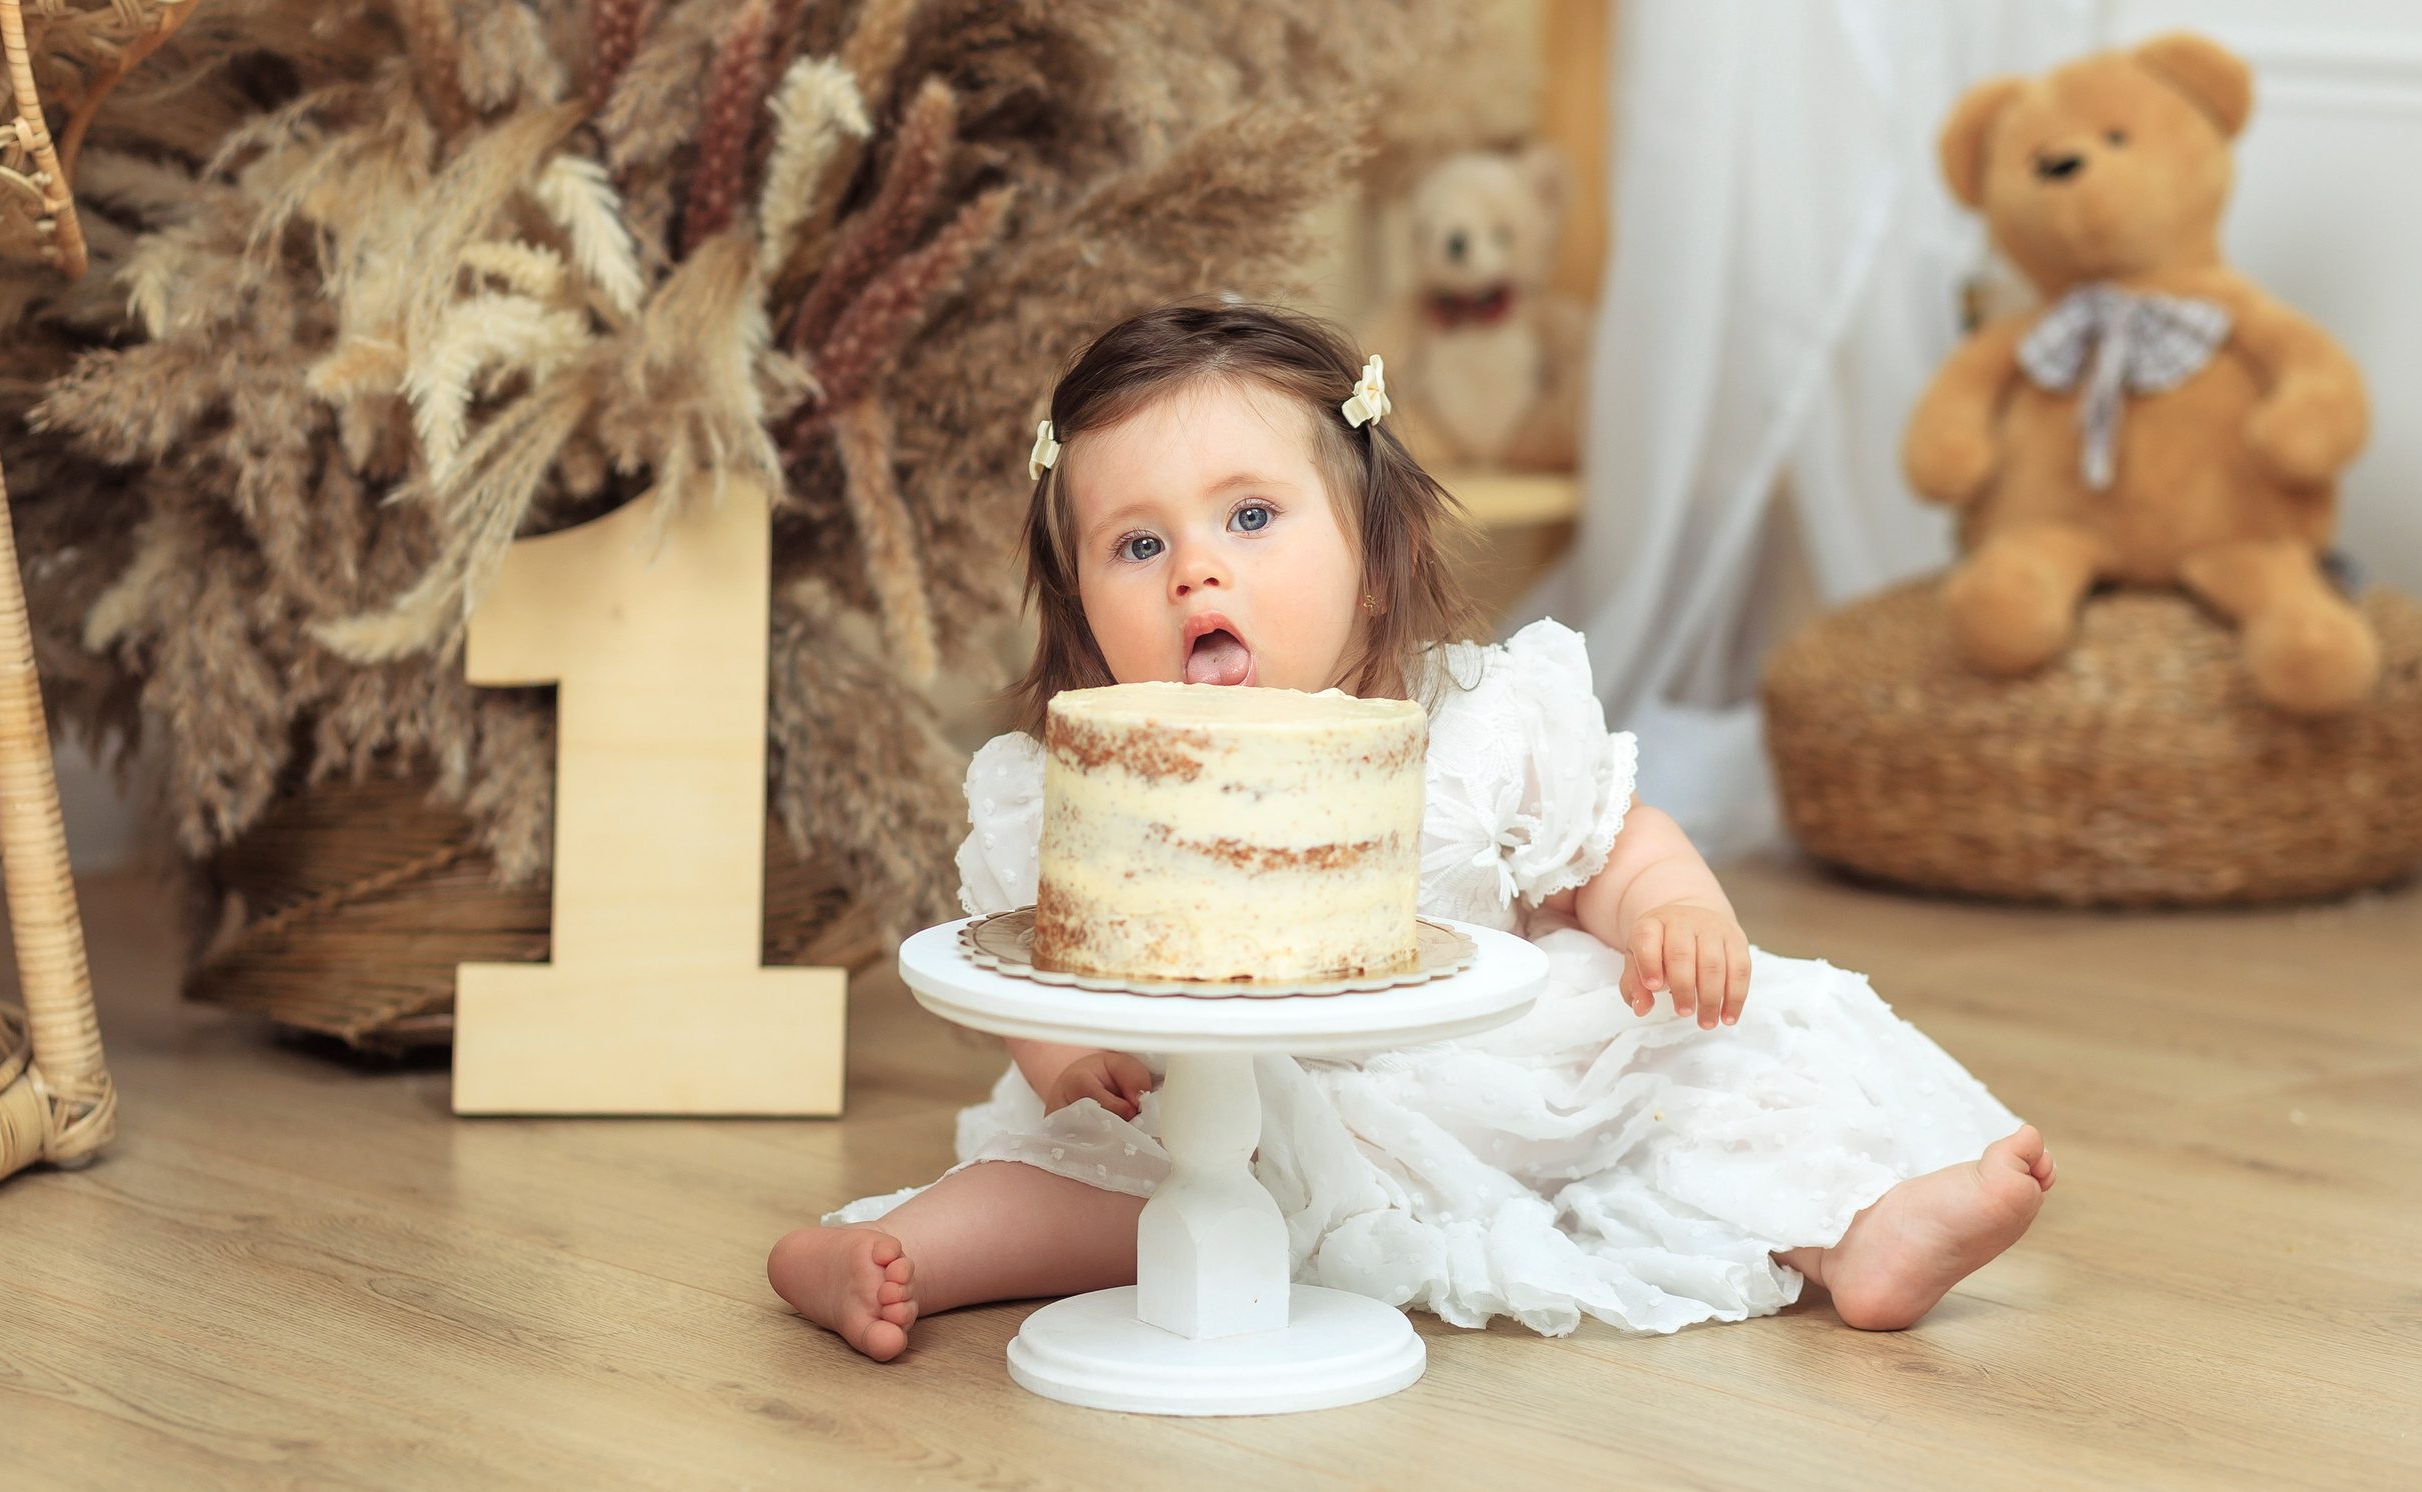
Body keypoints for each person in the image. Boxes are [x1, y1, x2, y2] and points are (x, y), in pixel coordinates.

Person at [770, 302, 2053, 1362]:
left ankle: (1850, 1228)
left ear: (1374, 561)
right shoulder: (1089, 779)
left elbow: (1605, 844)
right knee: (1100, 1193)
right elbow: (1039, 954)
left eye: (1251, 518)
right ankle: (902, 1257)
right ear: (1078, 607)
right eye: (1137, 543)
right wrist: (1065, 1067)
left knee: (1714, 1067)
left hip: (1489, 1084)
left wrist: (1674, 911)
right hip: (1218, 1103)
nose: (1194, 573)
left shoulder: (1472, 722)